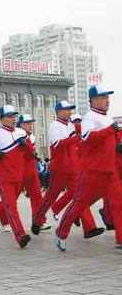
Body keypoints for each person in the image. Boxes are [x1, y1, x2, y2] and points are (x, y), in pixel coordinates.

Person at [56, 85, 122, 251]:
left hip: (110, 169)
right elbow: (88, 137)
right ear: (93, 99)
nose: (107, 100)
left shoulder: (107, 118)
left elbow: (109, 142)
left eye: (108, 97)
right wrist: (109, 131)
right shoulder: (89, 117)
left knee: (119, 202)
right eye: (103, 97)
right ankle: (61, 232)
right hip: (93, 170)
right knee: (80, 203)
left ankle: (120, 239)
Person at [31, 101, 100, 239]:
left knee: (80, 196)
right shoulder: (54, 126)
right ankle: (37, 219)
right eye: (67, 109)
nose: (69, 112)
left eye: (70, 109)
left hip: (73, 167)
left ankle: (89, 227)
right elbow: (58, 144)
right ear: (59, 112)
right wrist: (74, 138)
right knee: (51, 197)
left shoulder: (71, 126)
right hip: (60, 167)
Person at [0, 105, 32, 248]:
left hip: (18, 175)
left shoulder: (21, 133)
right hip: (3, 177)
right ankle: (20, 235)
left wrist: (25, 146)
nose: (13, 119)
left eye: (14, 115)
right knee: (11, 207)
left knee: (6, 205)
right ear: (2, 119)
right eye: (10, 116)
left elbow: (28, 154)